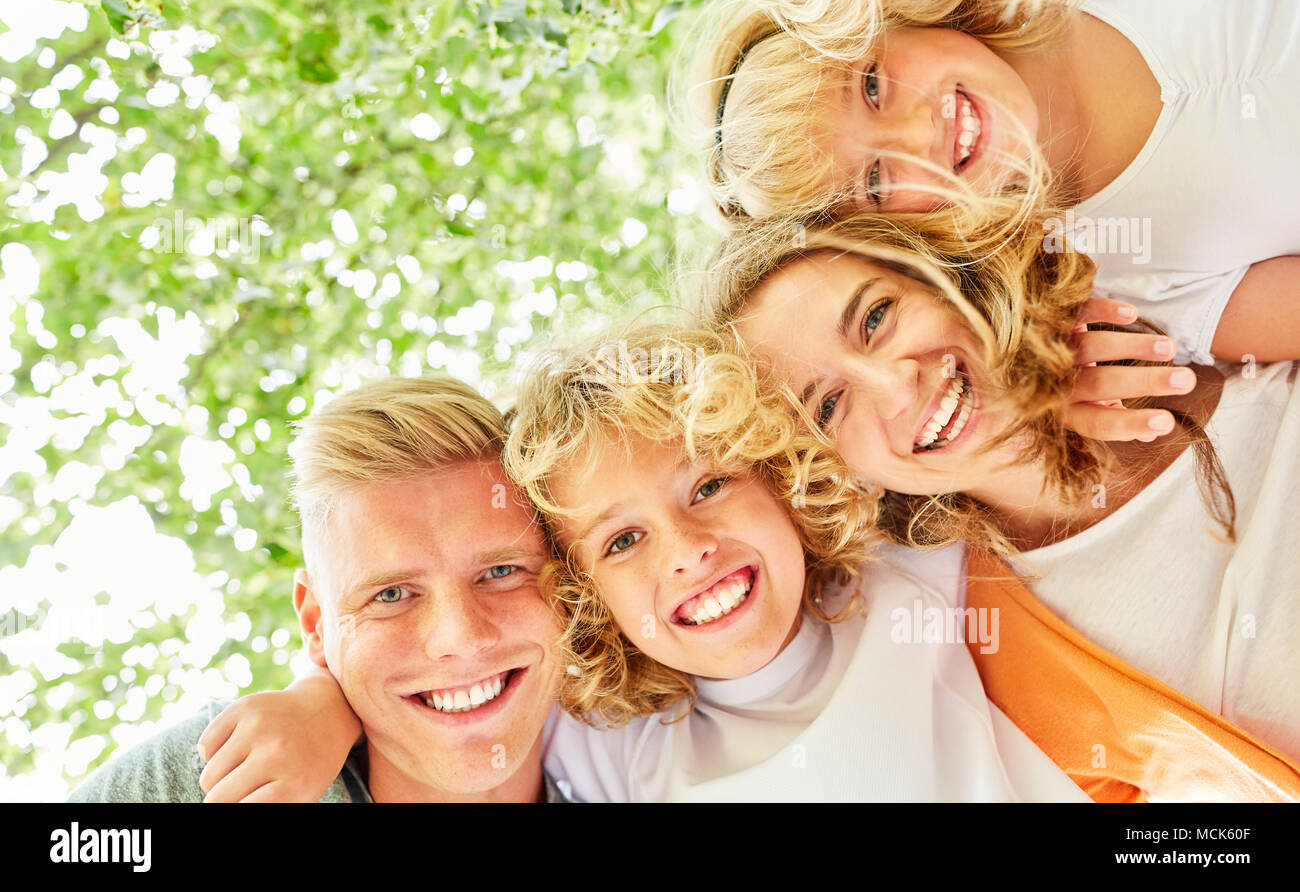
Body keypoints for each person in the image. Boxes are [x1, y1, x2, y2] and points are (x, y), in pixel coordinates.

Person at [197, 324, 1091, 802]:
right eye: (622, 541)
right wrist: (322, 703)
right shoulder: (610, 738)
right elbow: (442, 693)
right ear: (585, 595)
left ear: (778, 474)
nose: (688, 552)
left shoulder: (904, 565)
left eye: (709, 486)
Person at [690, 214, 1300, 778]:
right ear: (835, 473)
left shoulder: (1240, 340)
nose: (897, 386)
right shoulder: (975, 667)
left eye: (876, 317)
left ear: (942, 276)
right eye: (827, 406)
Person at [681, 0, 1300, 363]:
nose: (920, 134)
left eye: (871, 85)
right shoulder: (1119, 280)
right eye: (875, 180)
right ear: (896, 234)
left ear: (886, 20)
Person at [69, 376, 568, 803]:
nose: (460, 637)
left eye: (501, 571)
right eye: (391, 595)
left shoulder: (631, 774)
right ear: (315, 623)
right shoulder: (211, 777)